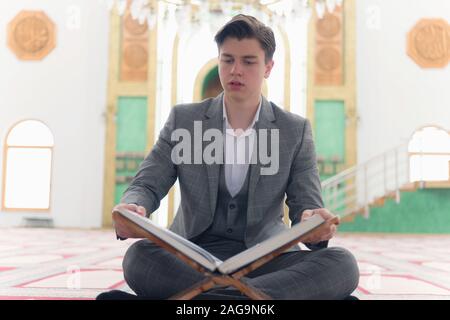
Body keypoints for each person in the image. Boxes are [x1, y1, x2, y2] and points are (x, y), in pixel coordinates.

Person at [98, 14, 359, 300]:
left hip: (266, 261)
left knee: (342, 265)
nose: (236, 70)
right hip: (190, 257)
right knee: (138, 257)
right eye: (227, 60)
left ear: (268, 67)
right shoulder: (184, 120)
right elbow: (147, 184)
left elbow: (306, 205)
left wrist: (311, 222)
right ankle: (251, 301)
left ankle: (207, 299)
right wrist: (133, 207)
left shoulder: (294, 130)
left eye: (248, 62)